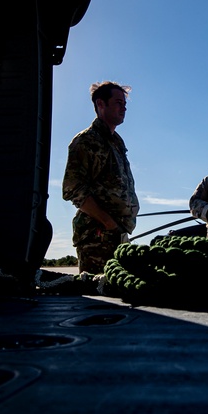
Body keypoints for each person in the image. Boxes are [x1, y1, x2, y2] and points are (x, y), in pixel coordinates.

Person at [62, 80, 140, 274]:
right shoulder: (86, 141)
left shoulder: (116, 143)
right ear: (100, 104)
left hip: (117, 235)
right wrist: (108, 223)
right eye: (118, 103)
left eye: (125, 104)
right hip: (97, 239)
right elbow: (73, 190)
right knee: (98, 297)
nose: (123, 108)